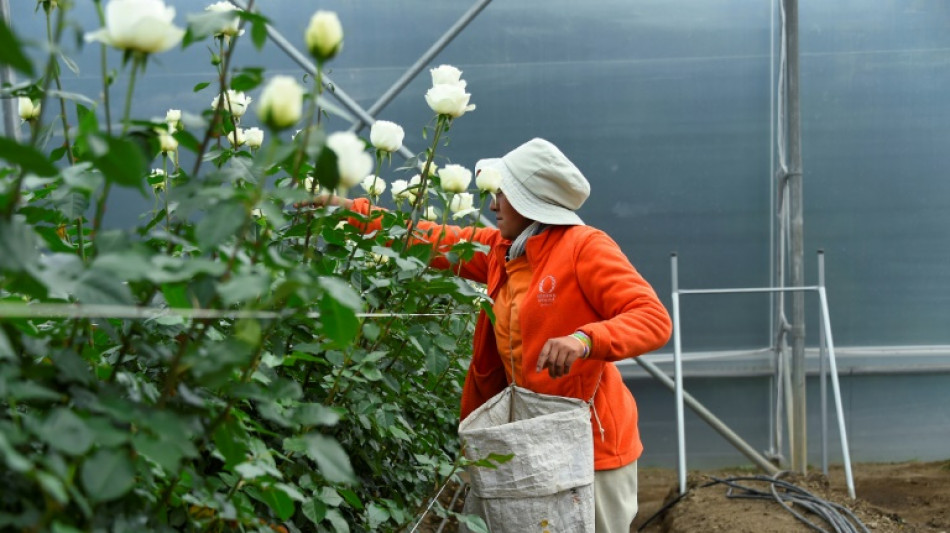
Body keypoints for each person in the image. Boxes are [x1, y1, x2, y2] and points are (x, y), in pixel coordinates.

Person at [314, 138, 672, 533]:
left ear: (532, 200)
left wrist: (584, 341)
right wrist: (350, 212)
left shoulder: (584, 247)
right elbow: (431, 238)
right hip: (527, 433)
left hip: (590, 445)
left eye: (503, 194)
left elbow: (652, 318)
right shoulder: (502, 249)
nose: (493, 205)